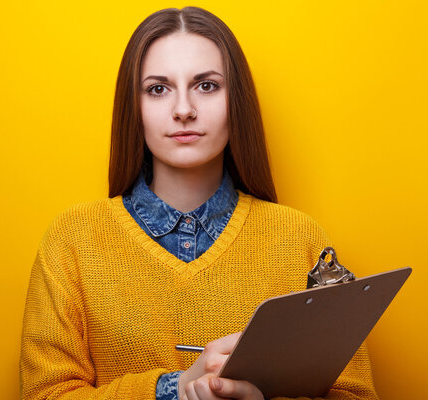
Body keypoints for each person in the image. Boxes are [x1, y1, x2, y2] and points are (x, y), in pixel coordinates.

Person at [20, 6, 379, 400]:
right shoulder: (72, 240)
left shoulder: (299, 238)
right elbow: (44, 394)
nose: (184, 109)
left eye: (206, 85)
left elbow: (355, 394)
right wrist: (173, 390)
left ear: (235, 100)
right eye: (158, 89)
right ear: (133, 107)